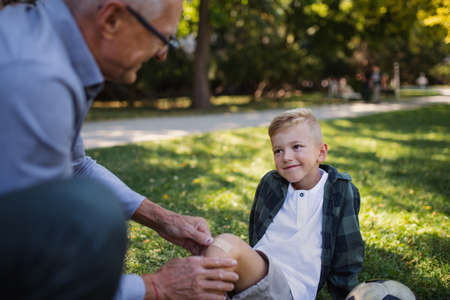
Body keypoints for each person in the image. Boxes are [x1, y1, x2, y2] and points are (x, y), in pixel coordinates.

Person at [0, 0, 238, 299]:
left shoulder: (50, 47)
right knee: (97, 214)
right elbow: (30, 270)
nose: (162, 54)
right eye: (162, 38)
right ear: (111, 19)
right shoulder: (34, 79)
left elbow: (76, 166)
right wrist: (156, 287)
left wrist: (163, 219)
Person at [204, 108, 365, 300]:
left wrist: (346, 294)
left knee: (226, 243)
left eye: (296, 147)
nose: (286, 157)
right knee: (211, 255)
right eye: (278, 150)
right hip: (257, 275)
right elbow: (257, 232)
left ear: (321, 152)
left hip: (290, 289)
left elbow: (347, 254)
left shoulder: (340, 191)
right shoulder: (271, 183)